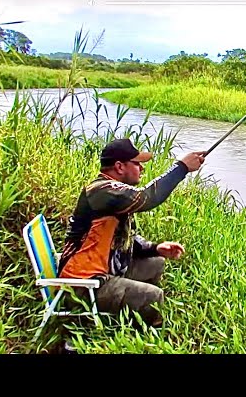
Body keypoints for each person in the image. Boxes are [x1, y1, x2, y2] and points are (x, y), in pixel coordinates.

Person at [58, 137, 206, 328]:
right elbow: (146, 197)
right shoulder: (102, 191)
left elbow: (125, 238)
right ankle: (142, 334)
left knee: (156, 262)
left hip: (104, 270)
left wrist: (155, 248)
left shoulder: (112, 191)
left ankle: (127, 318)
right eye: (137, 164)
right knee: (153, 296)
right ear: (119, 167)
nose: (142, 168)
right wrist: (181, 167)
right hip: (83, 285)